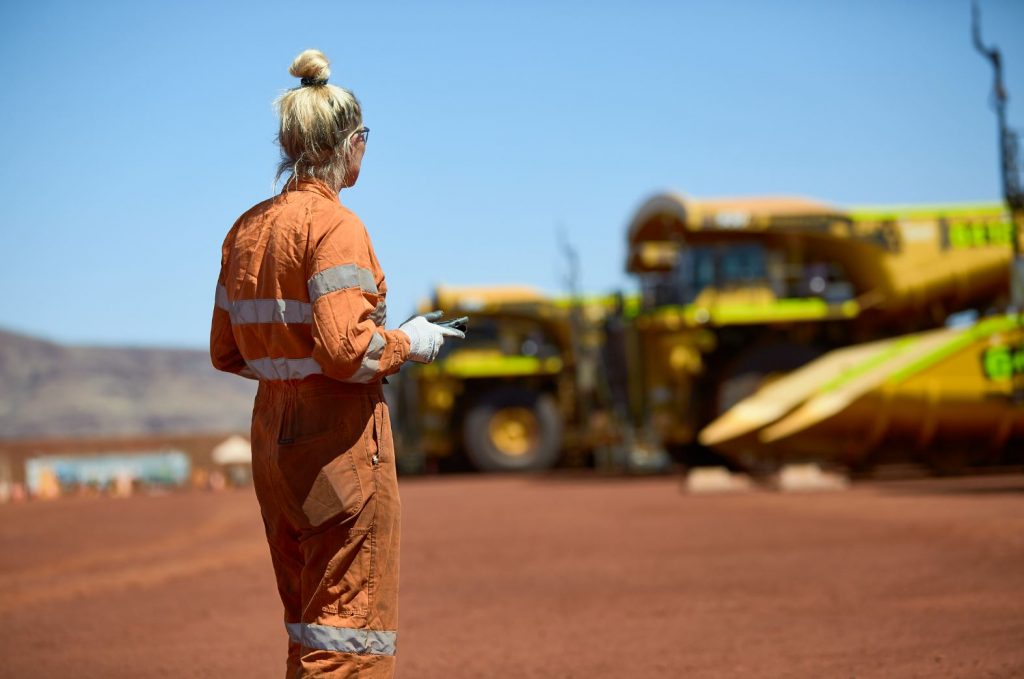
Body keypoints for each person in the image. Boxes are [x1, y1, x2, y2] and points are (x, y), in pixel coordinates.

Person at [210, 49, 463, 678]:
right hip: (339, 446)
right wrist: (410, 342)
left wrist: (290, 371)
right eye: (365, 141)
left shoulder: (245, 231)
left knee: (308, 627)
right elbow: (348, 349)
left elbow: (227, 350)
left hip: (273, 441)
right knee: (350, 640)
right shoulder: (336, 227)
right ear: (350, 143)